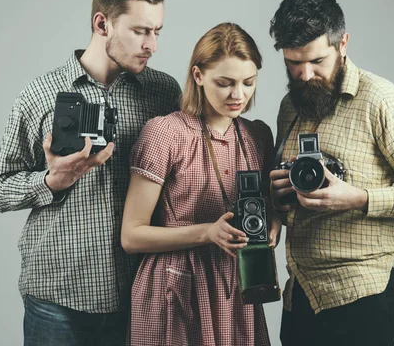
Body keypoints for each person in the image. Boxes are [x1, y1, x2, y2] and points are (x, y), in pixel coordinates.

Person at [0, 0, 181, 346]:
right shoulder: (39, 95)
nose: (152, 44)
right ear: (102, 23)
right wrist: (50, 181)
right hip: (57, 300)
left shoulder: (163, 92)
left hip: (140, 294)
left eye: (157, 31)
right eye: (141, 30)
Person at [268, 0, 394, 346]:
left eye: (317, 61)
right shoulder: (291, 106)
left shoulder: (382, 101)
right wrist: (278, 197)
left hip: (361, 298)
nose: (304, 76)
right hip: (299, 296)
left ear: (343, 44)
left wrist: (358, 198)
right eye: (293, 63)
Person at [120, 22, 280, 346]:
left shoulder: (257, 135)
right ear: (198, 76)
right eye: (225, 83)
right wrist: (207, 232)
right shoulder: (165, 133)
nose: (239, 95)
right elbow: (131, 235)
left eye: (248, 82)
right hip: (174, 287)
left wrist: (272, 225)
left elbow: (265, 206)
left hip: (236, 287)